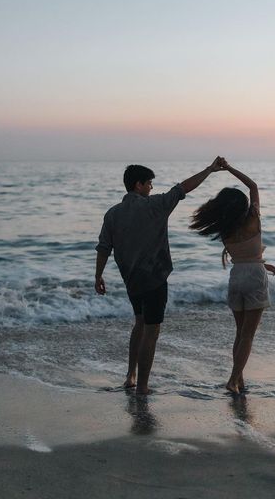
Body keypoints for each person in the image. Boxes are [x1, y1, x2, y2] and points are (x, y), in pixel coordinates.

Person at [95, 157, 225, 395]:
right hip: (154, 279)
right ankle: (143, 387)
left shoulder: (112, 214)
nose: (152, 188)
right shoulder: (155, 205)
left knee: (139, 324)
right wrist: (209, 169)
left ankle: (130, 376)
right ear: (138, 185)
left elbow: (104, 247)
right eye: (149, 184)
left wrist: (98, 276)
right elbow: (184, 187)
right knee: (151, 332)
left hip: (131, 280)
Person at [189, 159, 275, 394]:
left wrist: (264, 264)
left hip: (237, 277)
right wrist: (229, 168)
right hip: (255, 277)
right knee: (248, 335)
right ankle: (233, 378)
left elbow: (243, 255)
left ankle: (240, 379)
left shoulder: (225, 229)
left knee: (240, 334)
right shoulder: (253, 219)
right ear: (242, 206)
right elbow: (253, 186)